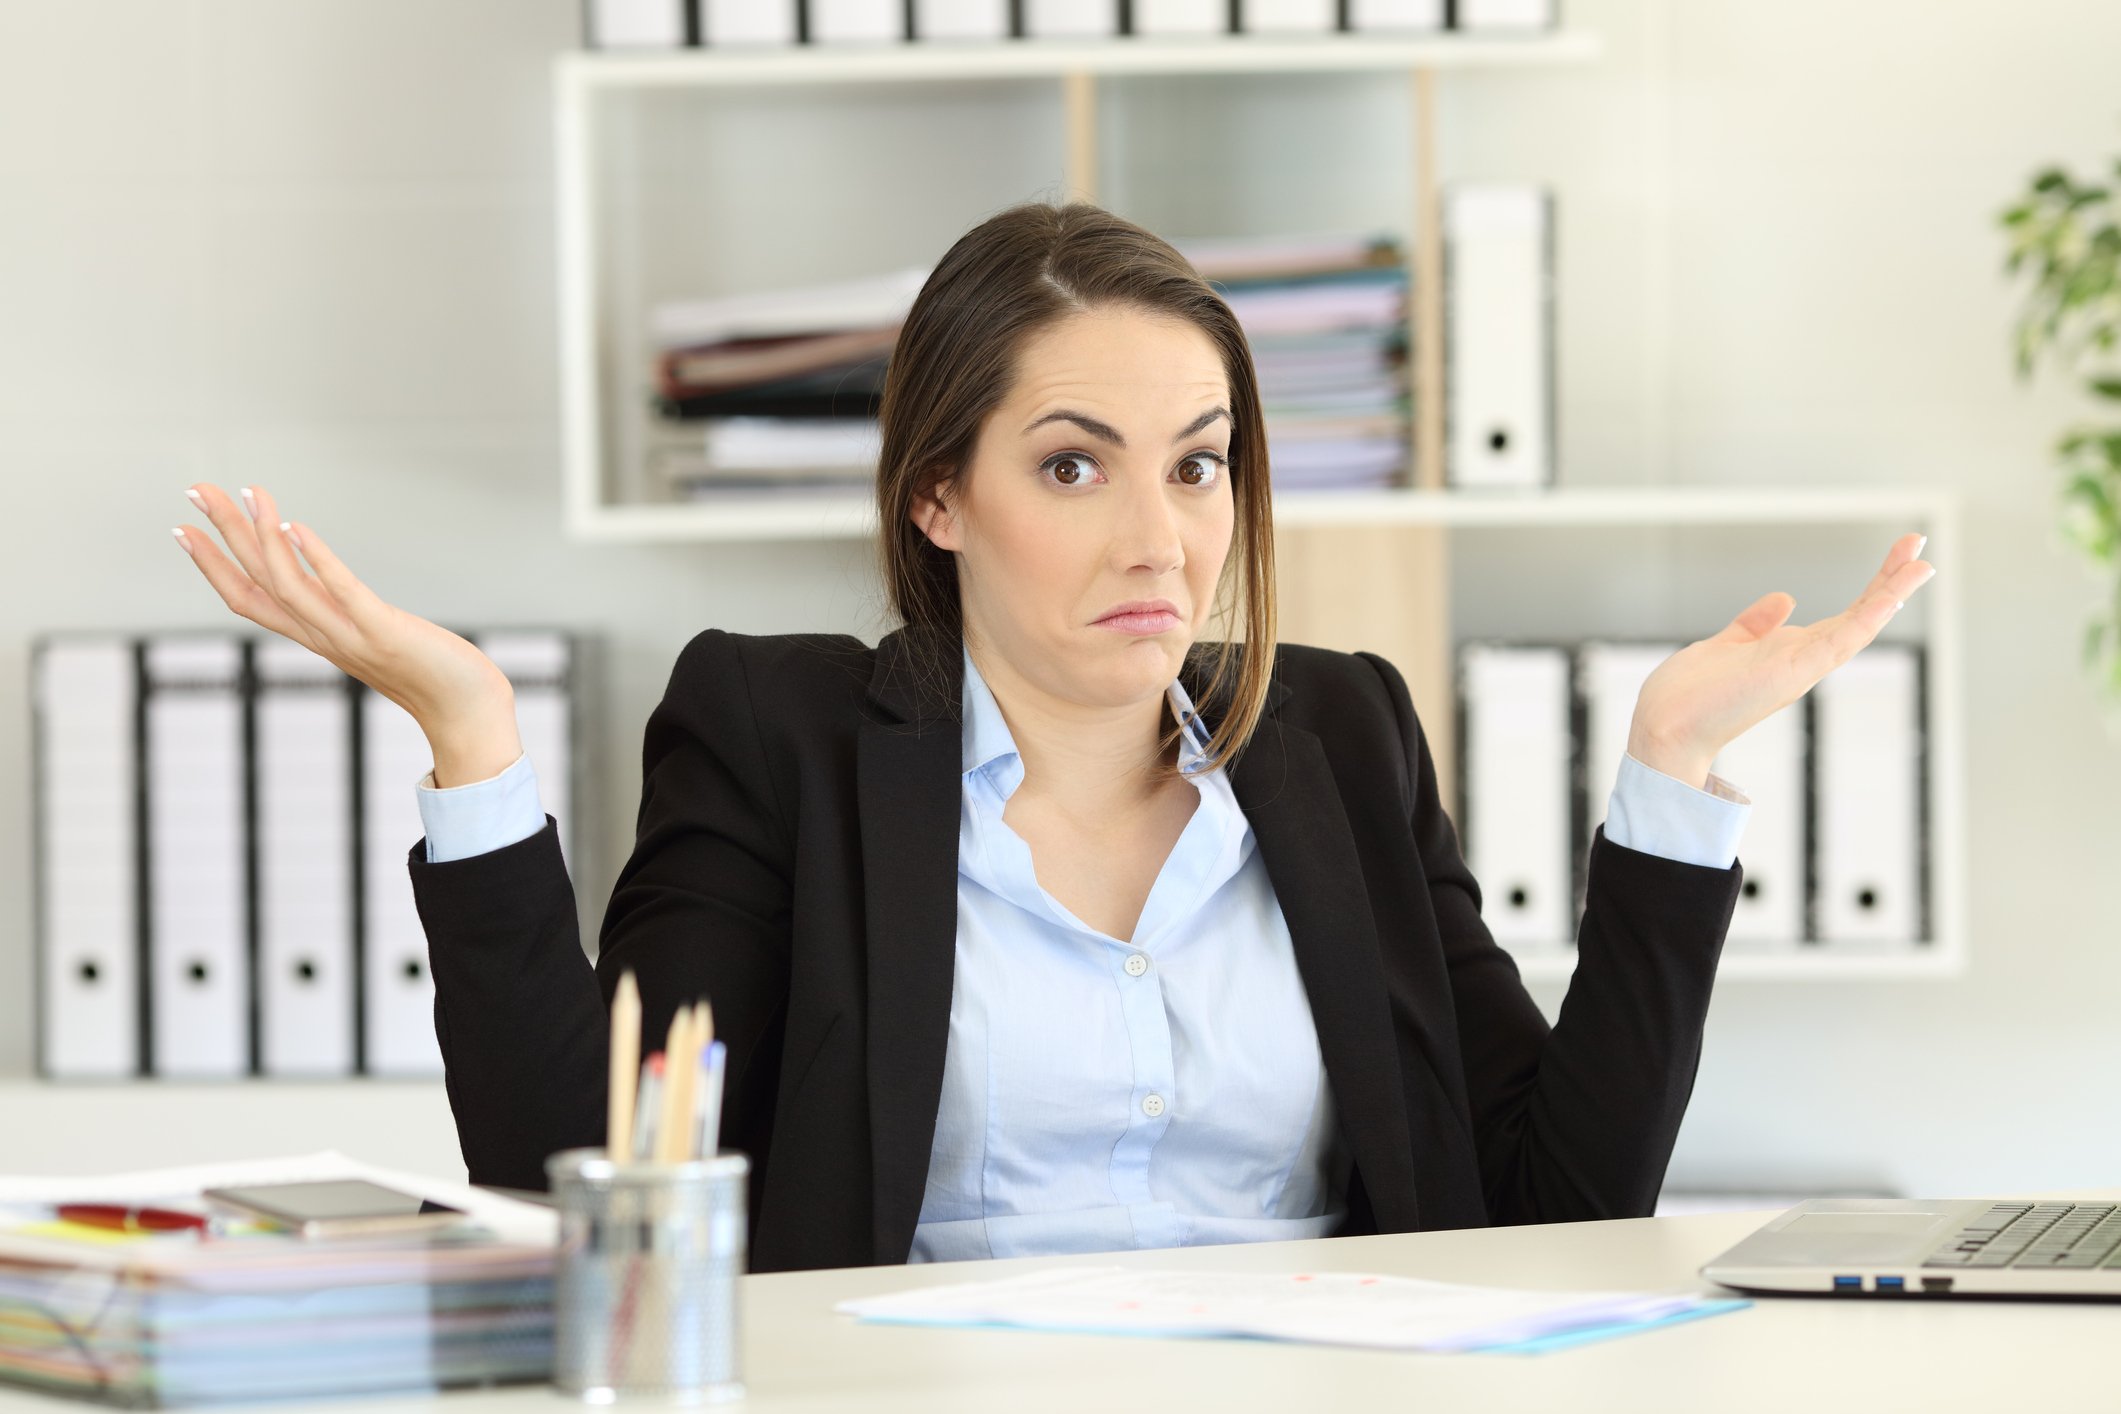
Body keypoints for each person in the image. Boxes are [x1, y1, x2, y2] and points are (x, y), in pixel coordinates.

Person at [171, 200, 1938, 1275]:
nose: (1158, 537)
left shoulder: (1341, 732)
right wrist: (470, 738)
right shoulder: (773, 730)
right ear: (938, 493)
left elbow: (1562, 1202)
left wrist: (1670, 783)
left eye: (1197, 463)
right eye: (1072, 464)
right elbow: (586, 1186)